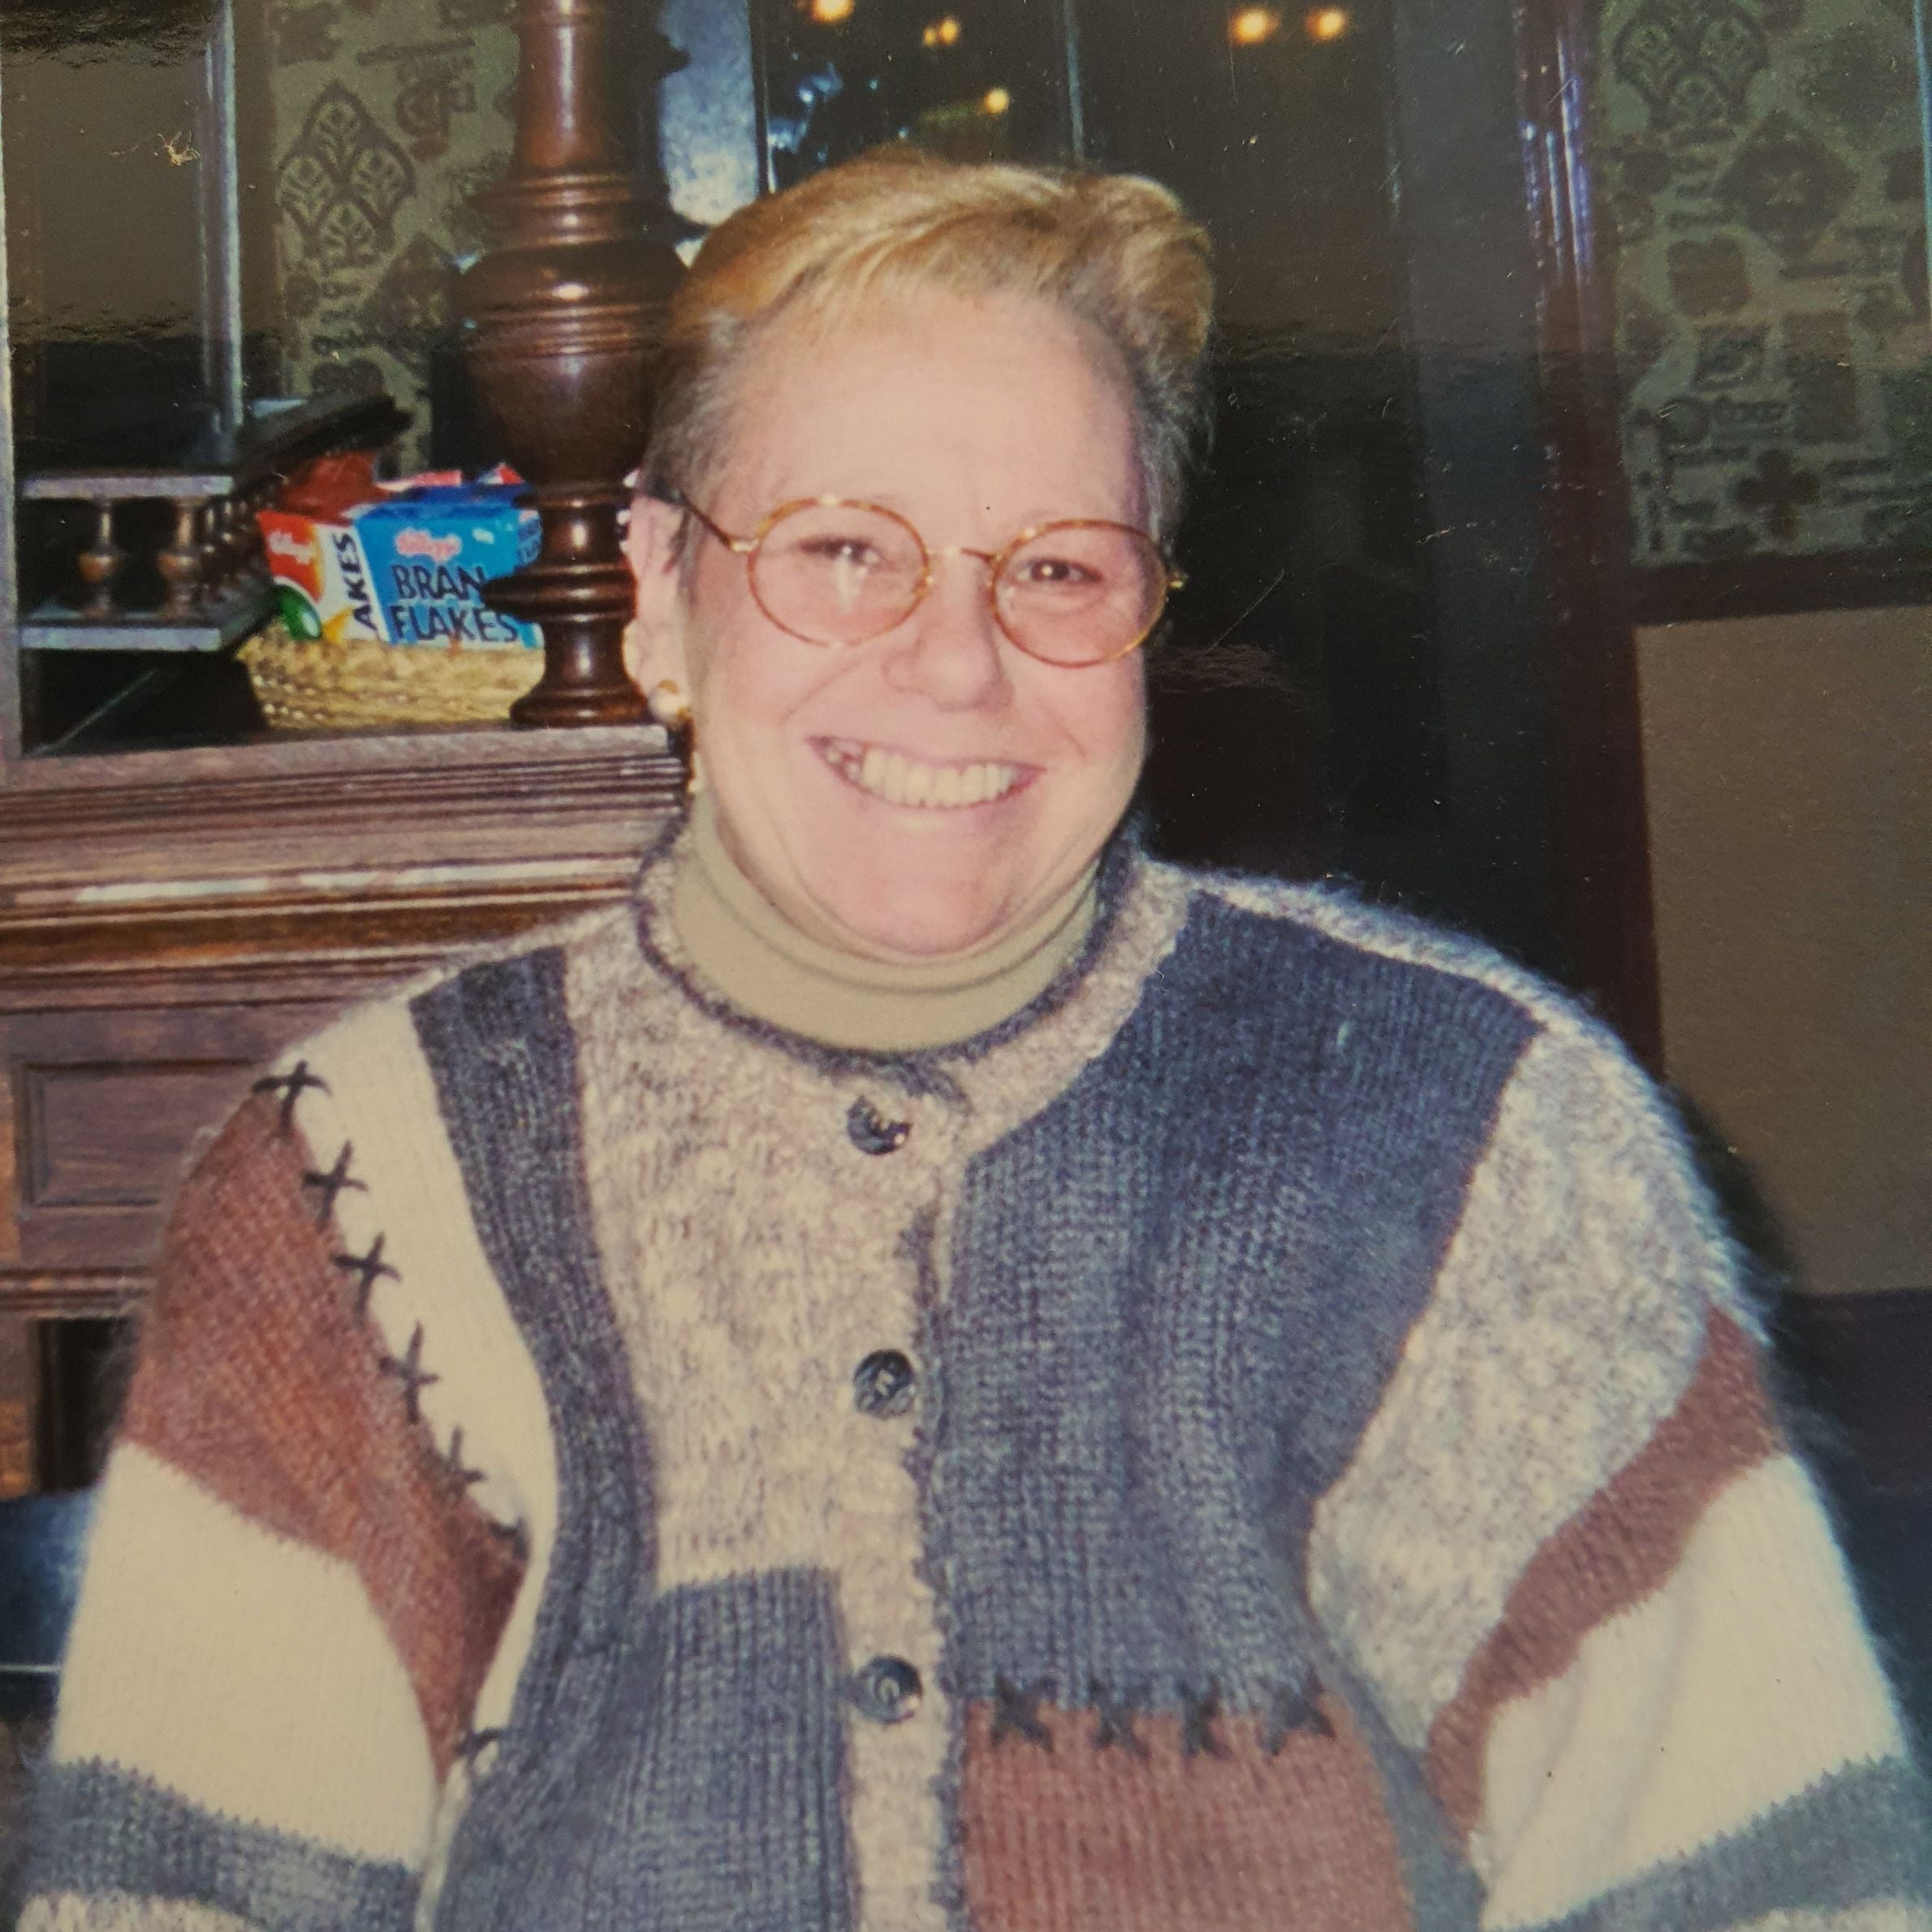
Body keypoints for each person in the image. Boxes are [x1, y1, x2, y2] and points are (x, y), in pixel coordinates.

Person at [19, 149, 1928, 1932]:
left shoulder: (1471, 1138)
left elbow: (1765, 1870)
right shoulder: (356, 1189)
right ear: (665, 598)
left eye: (1057, 566)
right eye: (846, 550)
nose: (958, 659)